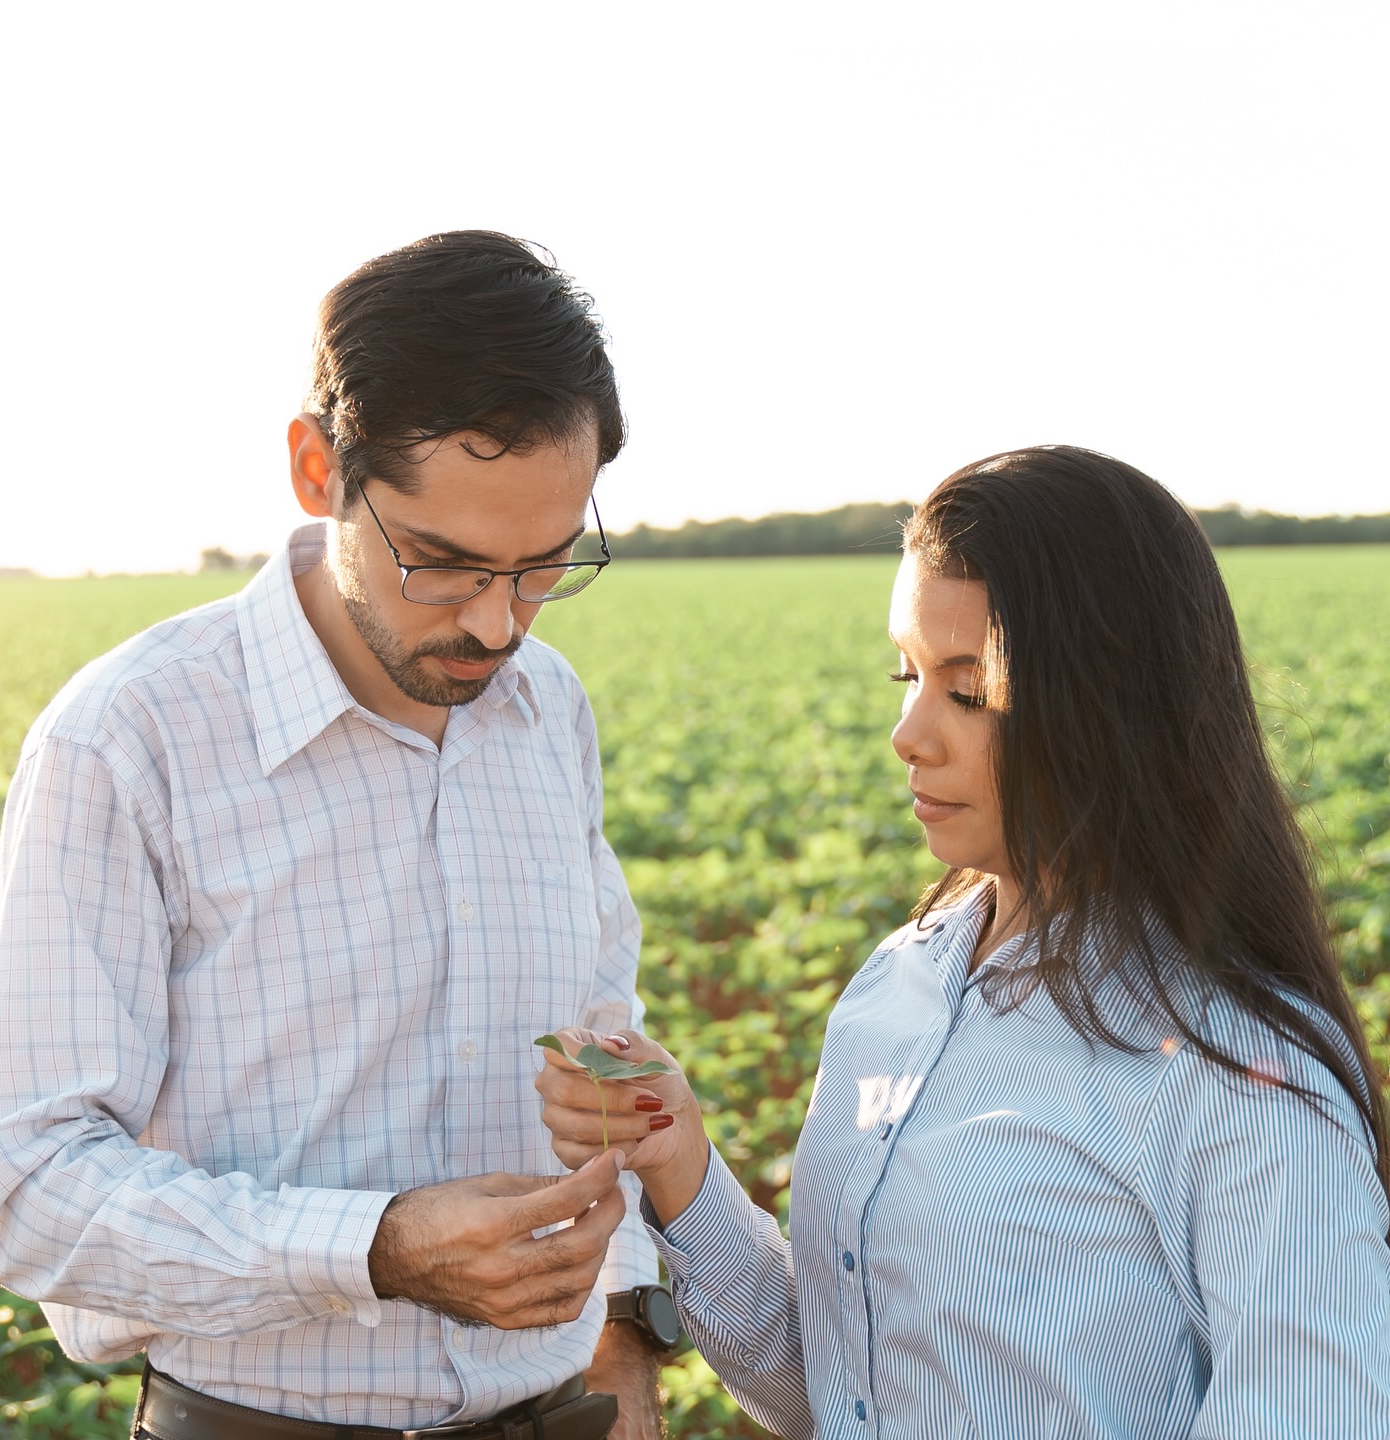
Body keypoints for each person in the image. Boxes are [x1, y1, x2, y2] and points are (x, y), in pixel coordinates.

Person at [0, 232, 674, 1440]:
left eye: (545, 565)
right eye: (441, 563)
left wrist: (625, 1327)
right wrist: (377, 1248)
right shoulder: (130, 739)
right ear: (314, 465)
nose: (499, 626)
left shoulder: (550, 710)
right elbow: (30, 1185)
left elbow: (603, 1044)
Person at [538, 446, 1390, 1439]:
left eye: (968, 689)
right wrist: (680, 1167)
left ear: (1113, 705)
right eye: (907, 673)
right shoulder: (895, 990)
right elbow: (841, 1391)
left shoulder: (1240, 1071)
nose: (909, 732)